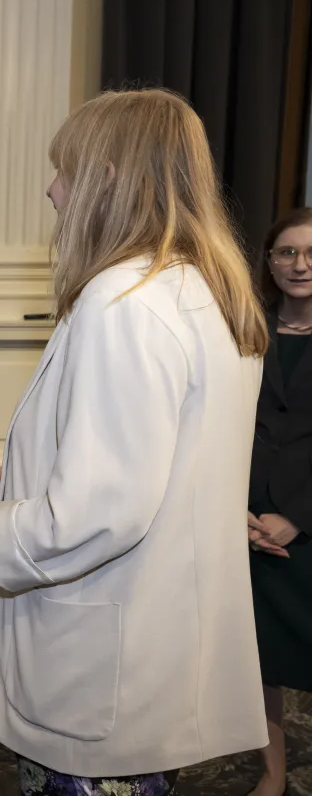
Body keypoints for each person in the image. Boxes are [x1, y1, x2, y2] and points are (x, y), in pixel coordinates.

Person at [0, 89, 270, 793]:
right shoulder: (205, 289)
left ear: (108, 176)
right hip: (162, 636)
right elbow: (170, 456)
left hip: (108, 651)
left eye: (64, 167)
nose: (51, 187)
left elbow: (102, 508)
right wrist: (25, 467)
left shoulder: (122, 301)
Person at [246, 207, 312, 796]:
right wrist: (234, 510)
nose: (300, 264)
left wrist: (297, 517)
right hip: (249, 520)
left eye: (311, 253)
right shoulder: (246, 330)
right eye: (287, 253)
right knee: (260, 658)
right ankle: (273, 773)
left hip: (308, 524)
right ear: (269, 263)